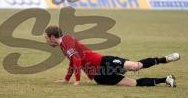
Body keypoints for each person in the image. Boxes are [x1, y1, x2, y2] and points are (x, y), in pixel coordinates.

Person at [44, 25, 180, 87]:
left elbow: (77, 60)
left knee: (135, 66)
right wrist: (66, 79)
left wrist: (77, 80)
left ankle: (164, 59)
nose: (46, 40)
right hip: (98, 76)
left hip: (103, 62)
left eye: (46, 38)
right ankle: (166, 80)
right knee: (133, 84)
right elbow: (73, 62)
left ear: (51, 37)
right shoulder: (63, 45)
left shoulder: (66, 40)